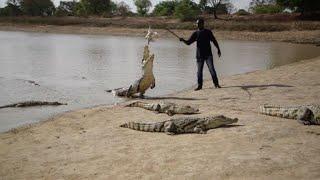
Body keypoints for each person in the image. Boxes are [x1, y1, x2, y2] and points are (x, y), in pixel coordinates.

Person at [179, 18, 222, 91]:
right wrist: (183, 40)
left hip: (208, 55)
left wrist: (218, 49)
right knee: (199, 71)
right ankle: (199, 86)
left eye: (199, 23)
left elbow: (214, 41)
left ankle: (216, 84)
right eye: (197, 23)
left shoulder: (208, 32)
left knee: (212, 69)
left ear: (203, 24)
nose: (197, 25)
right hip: (199, 56)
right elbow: (188, 43)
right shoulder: (195, 33)